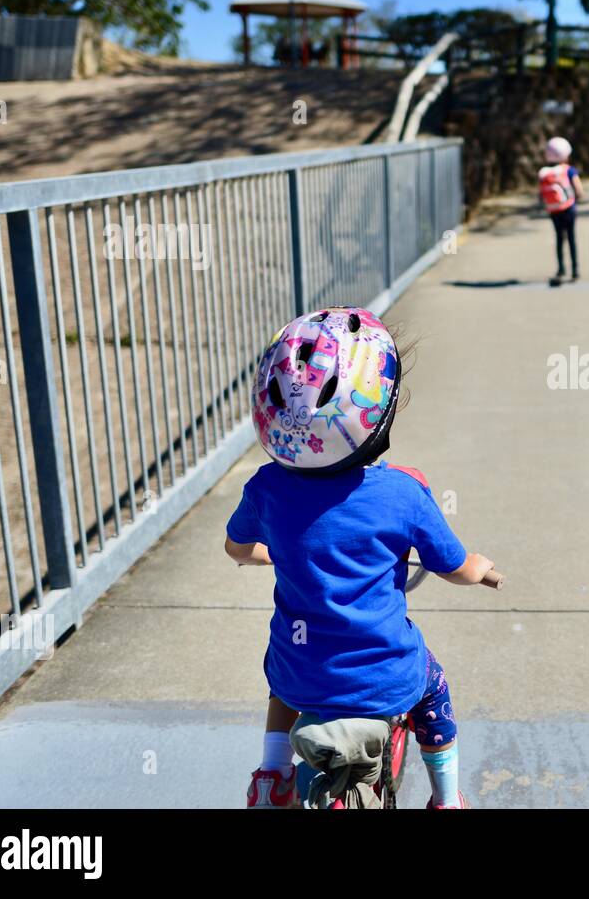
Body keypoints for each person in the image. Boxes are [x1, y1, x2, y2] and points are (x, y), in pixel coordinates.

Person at [226, 306, 498, 808]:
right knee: (434, 692)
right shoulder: (404, 493)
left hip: (302, 671)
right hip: (387, 676)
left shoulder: (266, 488)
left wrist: (260, 553)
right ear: (380, 411)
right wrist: (477, 568)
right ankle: (445, 798)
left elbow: (235, 547)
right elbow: (453, 566)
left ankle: (271, 776)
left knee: (281, 676)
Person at [538, 136, 584, 282]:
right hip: (568, 209)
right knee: (571, 238)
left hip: (553, 210)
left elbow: (540, 195)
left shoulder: (544, 172)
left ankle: (561, 269)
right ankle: (575, 270)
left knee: (559, 238)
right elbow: (579, 190)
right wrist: (577, 199)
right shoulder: (569, 170)